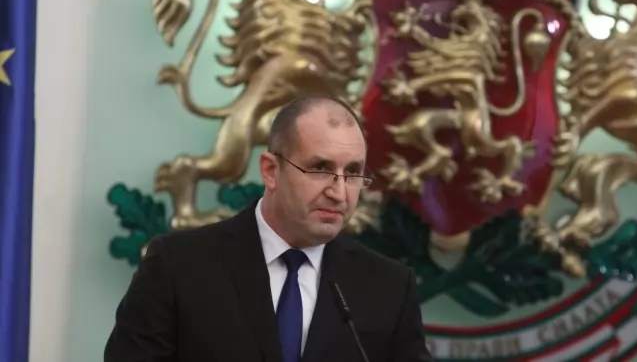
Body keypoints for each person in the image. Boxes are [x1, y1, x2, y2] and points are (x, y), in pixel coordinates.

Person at [104, 95, 433, 362]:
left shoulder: (389, 286)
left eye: (353, 172)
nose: (339, 192)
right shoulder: (177, 265)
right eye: (320, 168)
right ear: (271, 171)